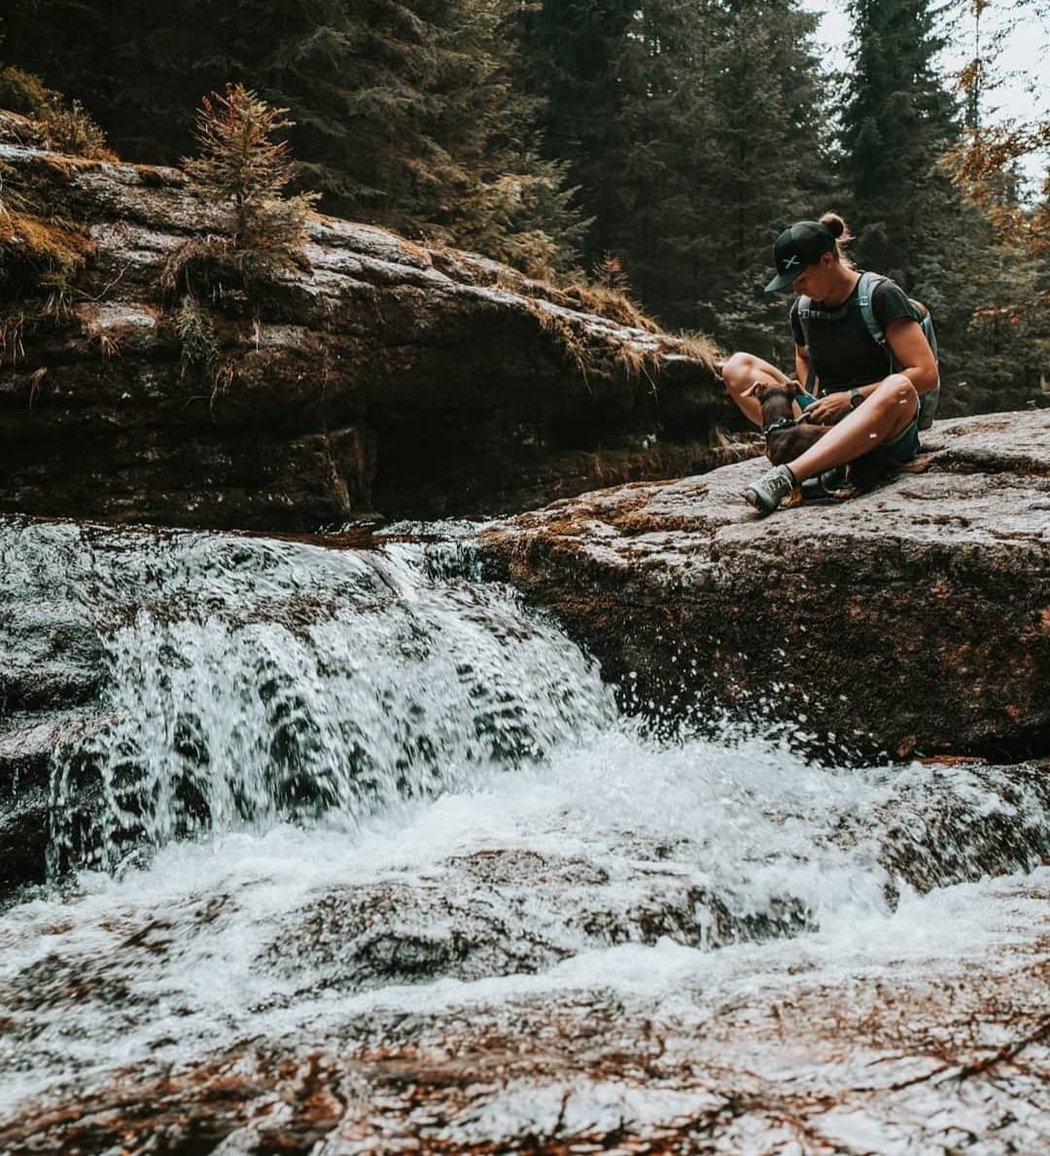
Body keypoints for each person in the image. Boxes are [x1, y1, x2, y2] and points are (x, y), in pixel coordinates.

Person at [722, 213, 939, 514]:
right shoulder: (804, 310)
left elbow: (926, 374)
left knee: (899, 385)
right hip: (825, 422)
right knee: (737, 366)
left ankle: (788, 475)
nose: (796, 290)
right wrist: (811, 403)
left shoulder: (881, 296)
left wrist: (851, 399)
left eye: (801, 279)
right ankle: (812, 451)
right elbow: (803, 354)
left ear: (827, 261)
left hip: (883, 423)